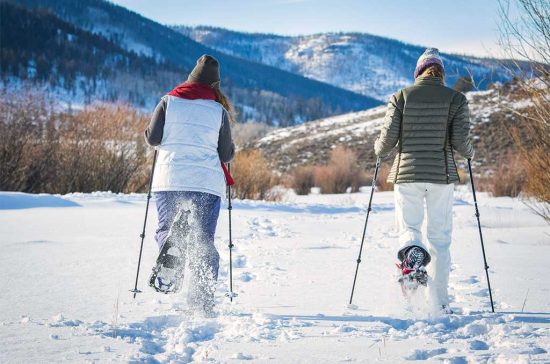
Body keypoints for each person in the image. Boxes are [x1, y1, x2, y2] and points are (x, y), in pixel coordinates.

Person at [374, 48, 474, 313]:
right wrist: (471, 152)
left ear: (418, 72)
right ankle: (439, 303)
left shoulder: (400, 97)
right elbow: (462, 145)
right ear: (441, 72)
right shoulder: (456, 99)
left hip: (407, 176)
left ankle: (414, 259)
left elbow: (385, 144)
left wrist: (377, 149)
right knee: (441, 239)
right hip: (441, 176)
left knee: (410, 228)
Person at [144, 54, 235, 316]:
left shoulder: (167, 101)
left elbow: (153, 139)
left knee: (165, 228)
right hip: (206, 183)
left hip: (169, 179)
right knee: (204, 241)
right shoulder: (219, 111)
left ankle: (171, 246)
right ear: (214, 85)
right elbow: (226, 154)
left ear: (190, 78)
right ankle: (201, 302)